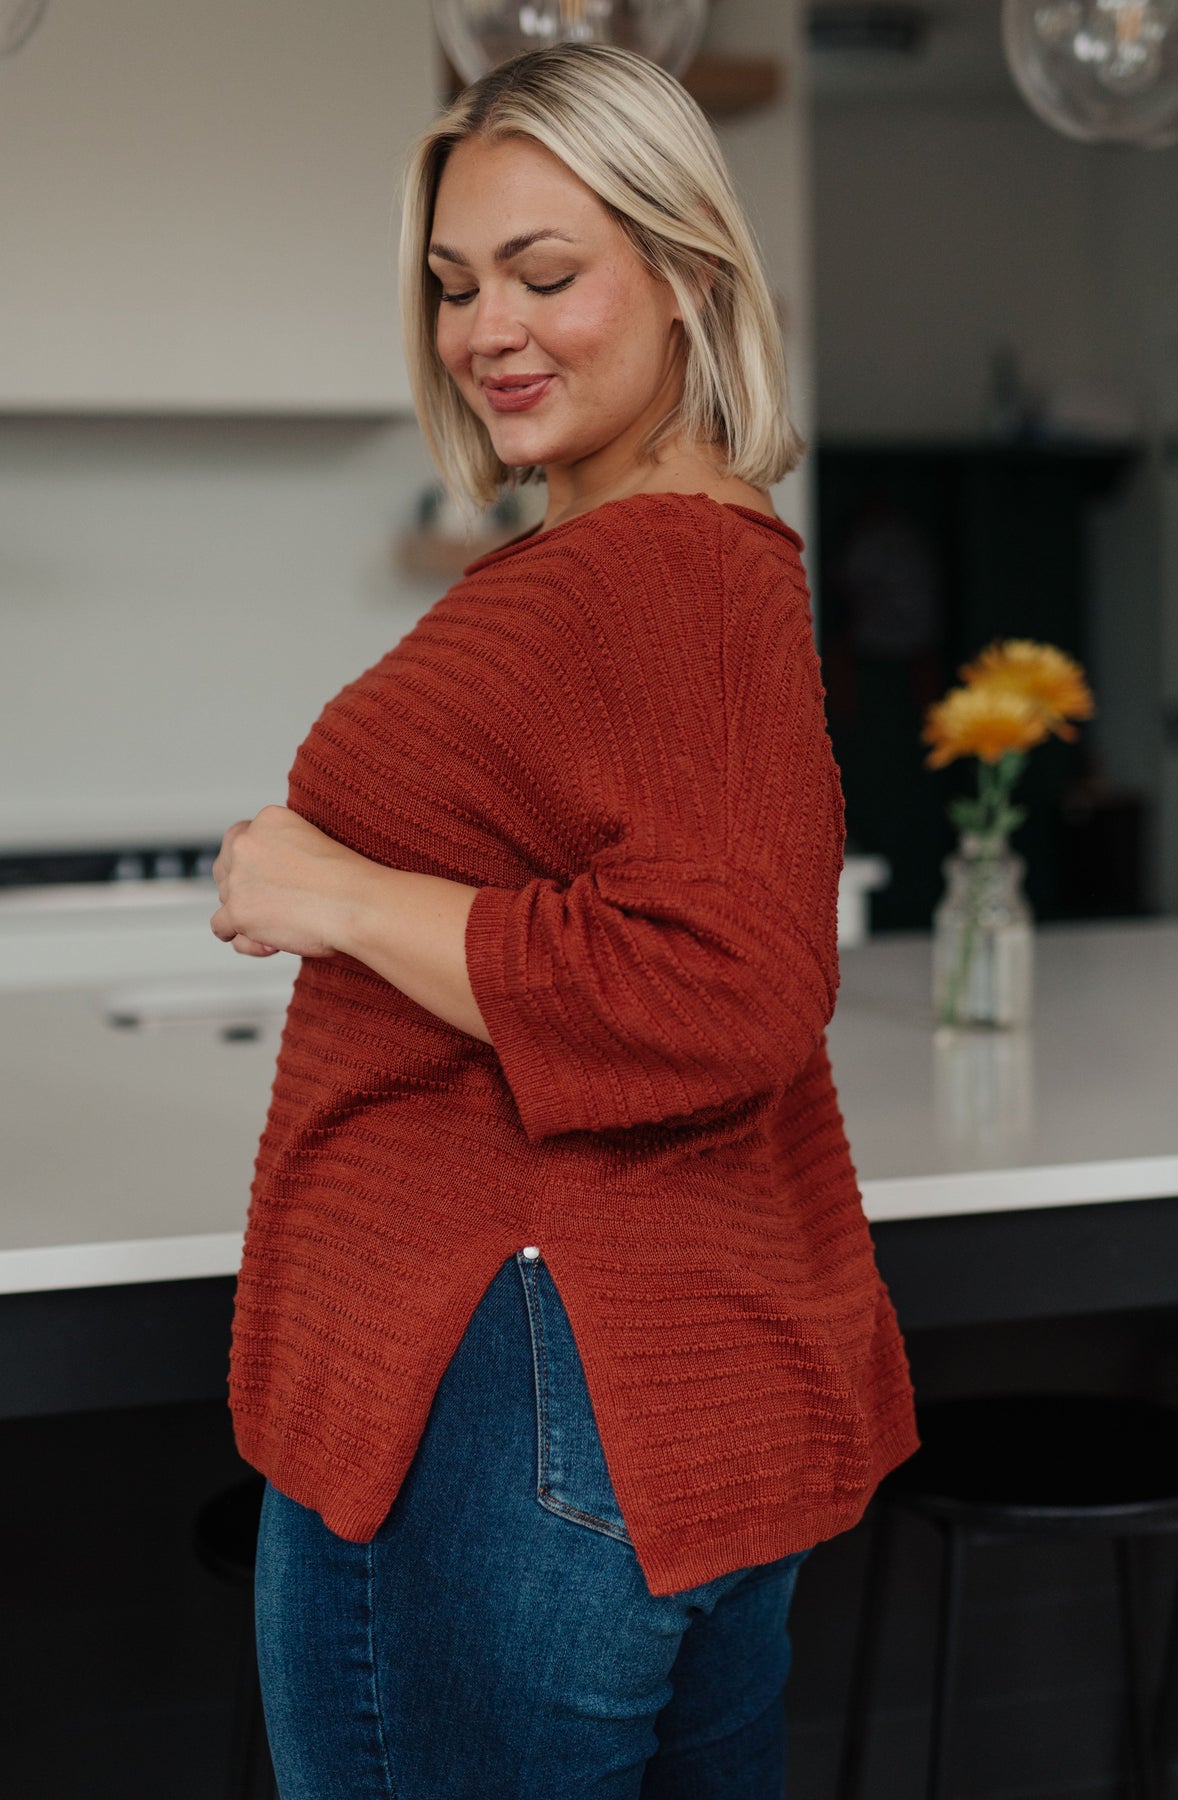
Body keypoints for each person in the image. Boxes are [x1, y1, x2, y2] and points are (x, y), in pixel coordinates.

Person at [210, 41, 918, 1799]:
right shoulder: (661, 556)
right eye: (456, 285)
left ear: (685, 276)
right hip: (628, 1396)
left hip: (504, 1391)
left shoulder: (661, 567)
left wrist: (338, 893)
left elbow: (734, 981)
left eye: (544, 273)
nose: (487, 331)